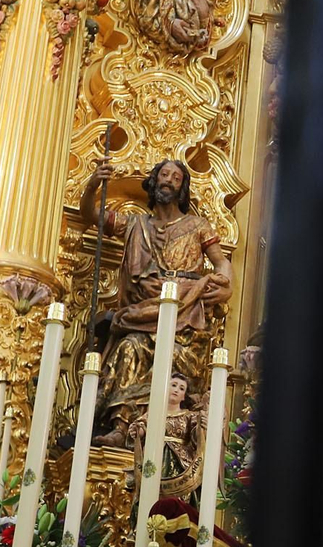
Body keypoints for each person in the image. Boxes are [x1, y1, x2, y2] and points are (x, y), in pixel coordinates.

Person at [79, 158, 233, 445]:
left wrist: (226, 288)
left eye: (176, 178)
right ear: (154, 181)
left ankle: (166, 428)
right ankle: (122, 428)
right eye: (164, 175)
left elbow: (221, 263)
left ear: (182, 187)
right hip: (144, 313)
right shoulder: (135, 224)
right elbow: (91, 215)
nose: (168, 181)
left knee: (175, 356)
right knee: (129, 348)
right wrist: (92, 186)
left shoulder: (198, 226)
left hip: (184, 314)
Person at [127, 373, 207, 501]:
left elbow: (196, 436)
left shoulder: (189, 416)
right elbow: (142, 426)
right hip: (154, 460)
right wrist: (137, 432)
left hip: (180, 467)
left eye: (181, 388)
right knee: (149, 499)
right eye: (173, 385)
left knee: (177, 502)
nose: (176, 390)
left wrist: (201, 426)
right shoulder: (154, 413)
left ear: (183, 397)